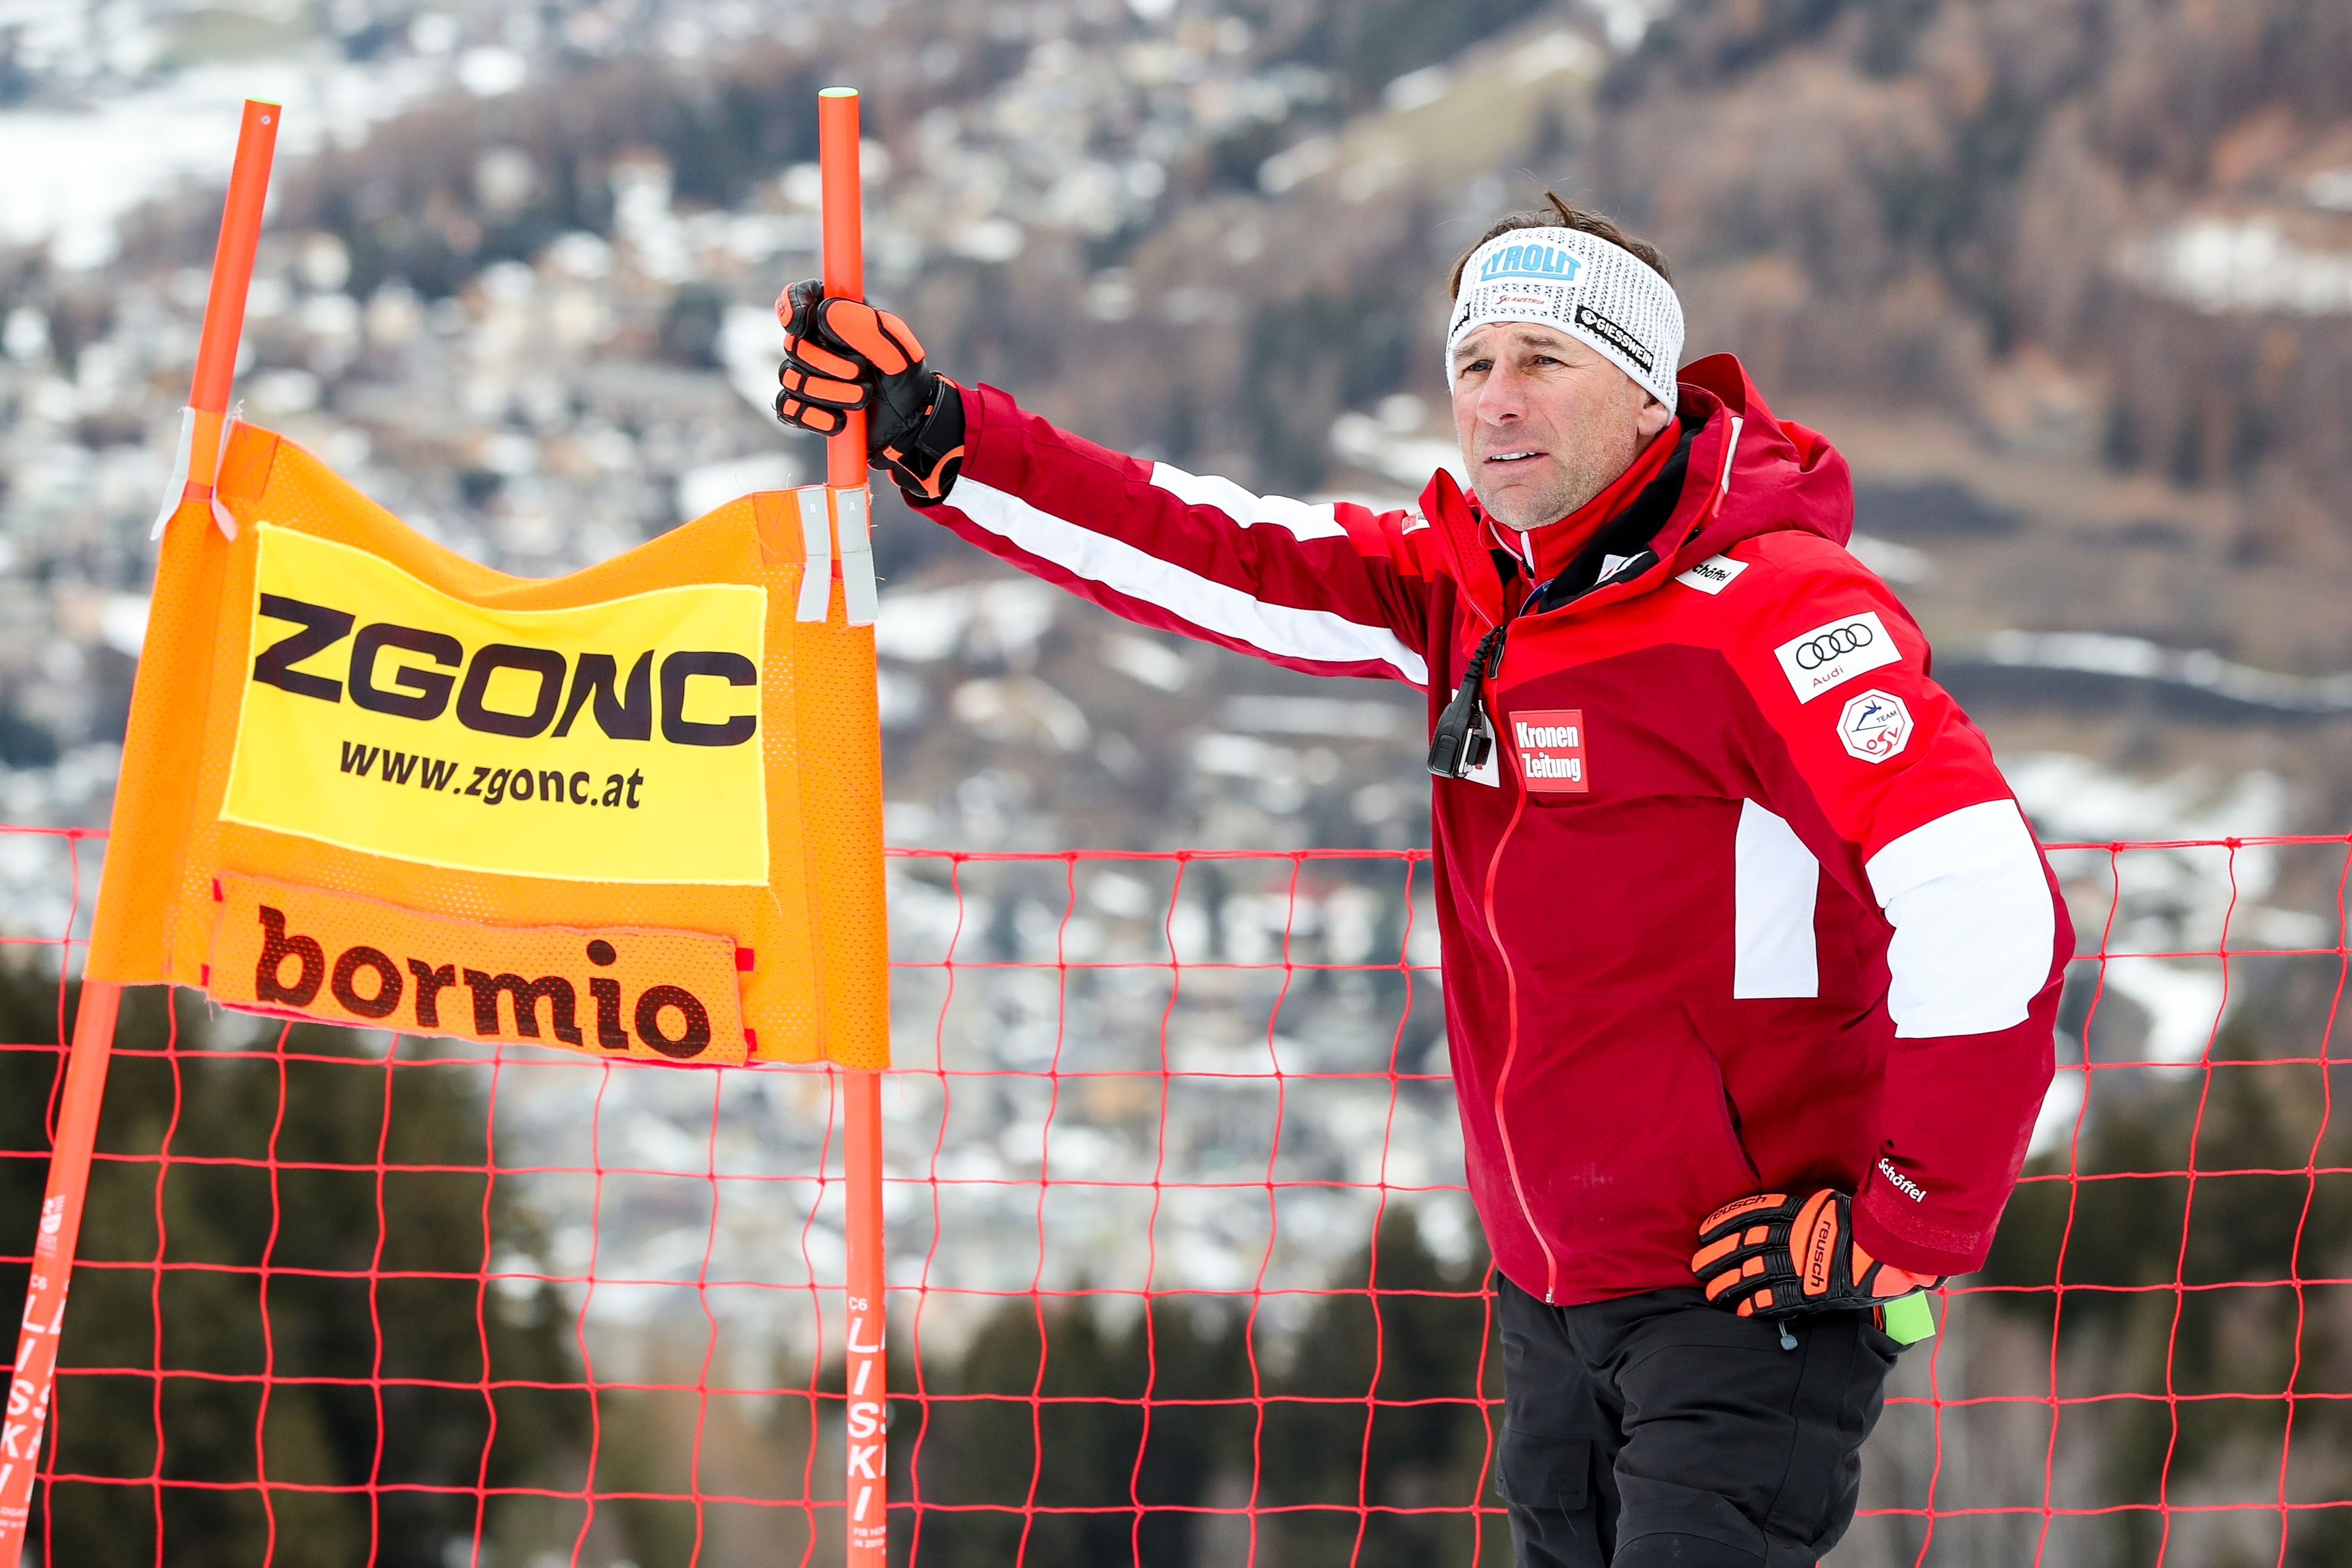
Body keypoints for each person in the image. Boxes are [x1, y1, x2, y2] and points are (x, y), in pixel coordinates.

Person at [772, 193, 2070, 1567]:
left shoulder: (1771, 609)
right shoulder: (1471, 590)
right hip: (1547, 1287)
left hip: (1741, 1298)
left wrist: (1910, 1221)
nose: (1497, 401)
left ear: (1644, 396)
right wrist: (941, 436)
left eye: (1542, 360)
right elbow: (1213, 549)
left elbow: (1978, 894)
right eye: (1472, 364)